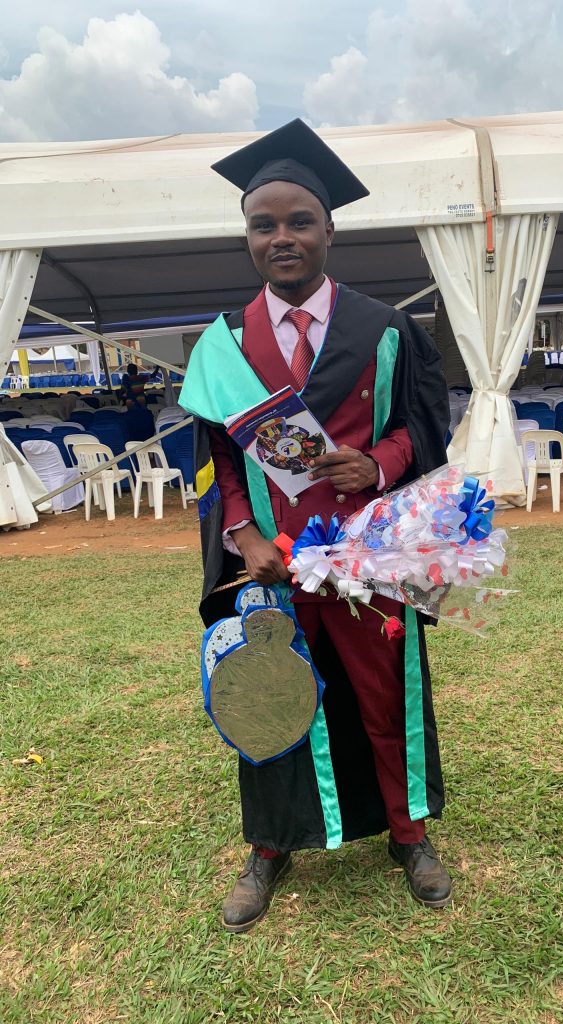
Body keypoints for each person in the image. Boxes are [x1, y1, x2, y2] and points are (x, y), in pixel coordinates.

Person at [180, 120, 452, 933]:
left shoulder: (386, 329)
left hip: (368, 556)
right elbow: (215, 463)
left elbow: (425, 424)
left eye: (300, 220)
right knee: (271, 695)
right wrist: (242, 533)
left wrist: (380, 462)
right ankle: (270, 844)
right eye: (264, 224)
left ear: (330, 228)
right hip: (271, 566)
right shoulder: (222, 346)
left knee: (384, 693)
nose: (282, 236)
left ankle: (410, 834)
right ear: (248, 236)